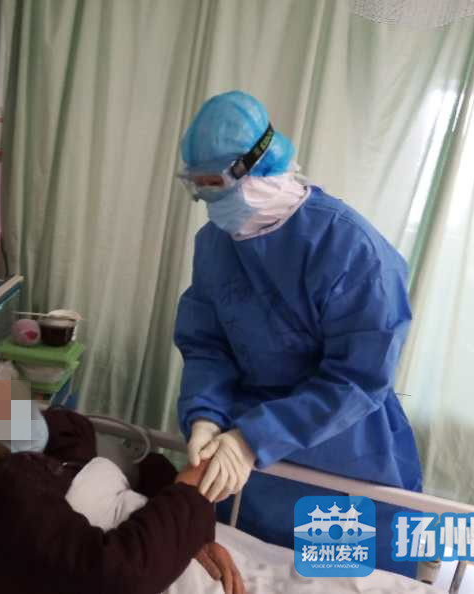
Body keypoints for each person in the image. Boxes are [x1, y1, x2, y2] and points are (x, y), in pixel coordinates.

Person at [174, 90, 423, 577]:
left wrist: (254, 439)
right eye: (200, 188)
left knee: (337, 578)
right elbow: (207, 344)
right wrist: (205, 414)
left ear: (259, 166)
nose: (211, 203)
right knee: (244, 566)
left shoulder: (353, 250)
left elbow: (358, 379)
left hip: (341, 451)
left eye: (216, 185)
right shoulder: (215, 243)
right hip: (249, 466)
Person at [0, 362, 243, 594]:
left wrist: (196, 532)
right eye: (0, 410)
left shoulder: (47, 452)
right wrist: (187, 495)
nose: (18, 406)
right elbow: (113, 576)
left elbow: (125, 462)